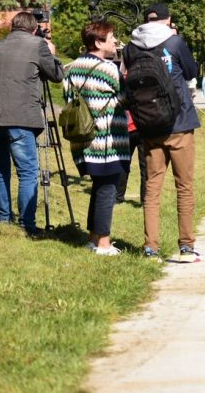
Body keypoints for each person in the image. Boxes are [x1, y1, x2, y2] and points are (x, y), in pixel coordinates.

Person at [124, 3, 202, 262]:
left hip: (148, 126)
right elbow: (192, 73)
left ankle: (150, 247)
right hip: (179, 124)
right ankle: (186, 246)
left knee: (152, 188)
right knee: (184, 186)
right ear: (168, 20)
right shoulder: (175, 42)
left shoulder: (131, 47)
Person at [0, 11, 63, 236]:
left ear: (12, 27)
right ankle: (27, 224)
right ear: (34, 29)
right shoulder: (37, 45)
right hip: (20, 117)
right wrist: (52, 53)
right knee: (27, 172)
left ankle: (3, 219)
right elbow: (56, 75)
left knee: (0, 170)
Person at [64, 21, 130, 256]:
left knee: (100, 186)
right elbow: (125, 99)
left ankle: (93, 239)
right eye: (111, 37)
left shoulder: (70, 67)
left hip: (82, 139)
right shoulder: (109, 69)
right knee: (108, 189)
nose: (115, 41)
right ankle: (103, 244)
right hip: (106, 142)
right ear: (98, 41)